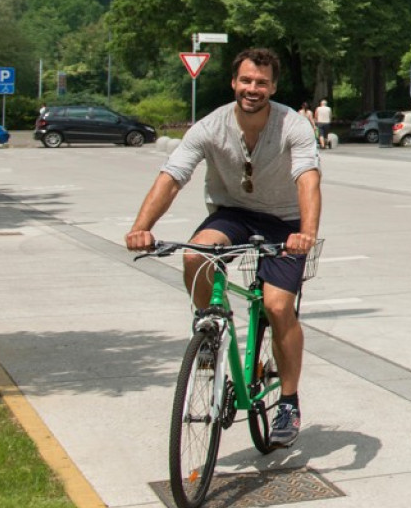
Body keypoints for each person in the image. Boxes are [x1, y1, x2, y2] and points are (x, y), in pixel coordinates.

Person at [125, 47, 321, 446]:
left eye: (261, 83)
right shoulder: (210, 127)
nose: (253, 88)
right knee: (195, 254)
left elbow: (308, 179)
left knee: (278, 306)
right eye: (246, 80)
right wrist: (141, 226)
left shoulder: (294, 126)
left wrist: (307, 233)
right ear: (234, 82)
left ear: (273, 87)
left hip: (285, 222)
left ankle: (287, 400)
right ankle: (210, 328)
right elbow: (173, 175)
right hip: (233, 213)